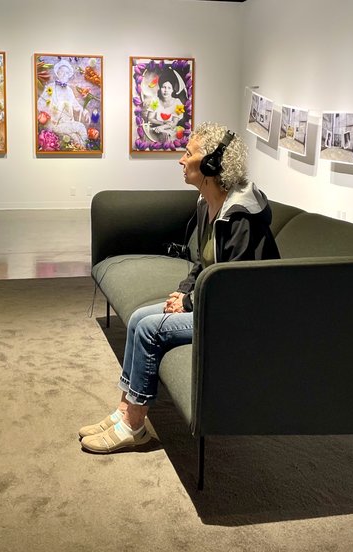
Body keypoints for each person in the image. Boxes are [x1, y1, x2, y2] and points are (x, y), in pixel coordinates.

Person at [79, 122, 280, 453]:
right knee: (141, 317)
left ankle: (133, 424)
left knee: (149, 330)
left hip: (242, 319)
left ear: (212, 165)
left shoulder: (242, 220)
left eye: (188, 153)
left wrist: (189, 302)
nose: (180, 160)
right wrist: (184, 292)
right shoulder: (207, 204)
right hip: (213, 303)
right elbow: (202, 263)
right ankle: (124, 411)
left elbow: (240, 291)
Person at [36, 59, 89, 148]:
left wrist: (85, 112)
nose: (65, 75)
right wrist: (52, 109)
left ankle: (83, 151)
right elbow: (40, 104)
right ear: (58, 73)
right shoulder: (50, 87)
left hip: (67, 122)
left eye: (67, 73)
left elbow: (76, 105)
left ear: (69, 75)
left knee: (76, 138)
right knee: (81, 127)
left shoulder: (69, 90)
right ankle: (84, 149)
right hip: (54, 123)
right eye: (62, 72)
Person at [144, 69, 185, 142]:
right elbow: (150, 118)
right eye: (164, 87)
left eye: (169, 88)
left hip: (170, 131)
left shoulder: (178, 103)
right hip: (155, 130)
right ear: (160, 88)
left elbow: (174, 123)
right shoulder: (155, 101)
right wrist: (162, 123)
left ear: (172, 90)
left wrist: (162, 127)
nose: (166, 90)